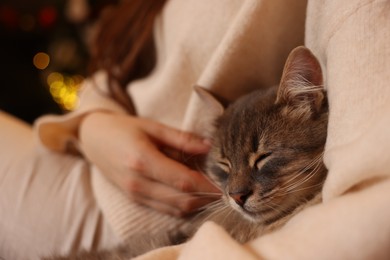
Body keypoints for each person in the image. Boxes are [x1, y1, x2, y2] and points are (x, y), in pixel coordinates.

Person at [1, 0, 390, 259]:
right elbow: (108, 77)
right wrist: (91, 125)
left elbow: (372, 209)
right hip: (87, 160)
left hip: (140, 222)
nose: (236, 191)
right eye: (227, 172)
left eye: (264, 161)